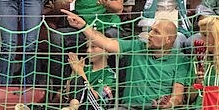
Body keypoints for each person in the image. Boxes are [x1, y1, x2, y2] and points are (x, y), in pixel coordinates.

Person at [63, 12, 192, 109]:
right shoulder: (137, 46)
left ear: (168, 39)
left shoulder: (180, 60)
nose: (150, 34)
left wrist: (167, 104)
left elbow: (178, 97)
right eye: (151, 29)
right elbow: (106, 43)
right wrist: (83, 26)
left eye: (156, 32)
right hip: (128, 107)